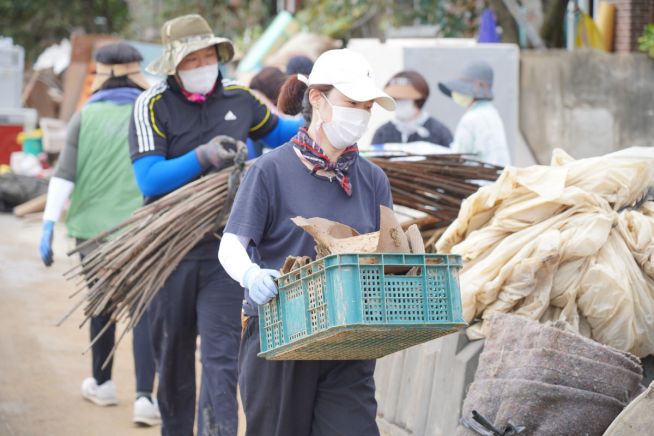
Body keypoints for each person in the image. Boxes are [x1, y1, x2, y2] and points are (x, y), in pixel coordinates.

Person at [128, 14, 302, 436]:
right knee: (172, 355)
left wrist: (321, 118)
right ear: (174, 65)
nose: (204, 65)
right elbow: (148, 178)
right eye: (193, 59)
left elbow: (282, 135)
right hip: (167, 252)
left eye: (209, 56)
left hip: (225, 249)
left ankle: (219, 431)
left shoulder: (240, 99)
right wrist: (201, 157)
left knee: (223, 355)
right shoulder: (151, 105)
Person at [218, 48, 395, 436]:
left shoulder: (372, 179)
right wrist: (251, 274)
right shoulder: (269, 171)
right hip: (282, 336)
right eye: (353, 103)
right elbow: (230, 243)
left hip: (350, 339)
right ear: (317, 98)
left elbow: (389, 252)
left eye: (368, 106)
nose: (362, 115)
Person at [39, 42, 161, 426]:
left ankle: (103, 383)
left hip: (92, 231)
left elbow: (64, 174)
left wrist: (46, 225)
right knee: (142, 312)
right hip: (142, 229)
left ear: (100, 75)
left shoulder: (84, 117)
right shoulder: (152, 113)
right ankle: (145, 397)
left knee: (102, 307)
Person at [438, 61, 511, 166]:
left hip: (480, 181)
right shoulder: (492, 113)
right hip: (500, 178)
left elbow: (458, 158)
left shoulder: (470, 119)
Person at [371, 70, 452, 146]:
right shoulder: (383, 133)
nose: (398, 103)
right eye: (395, 99)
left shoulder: (439, 132)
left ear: (419, 101)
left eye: (404, 100)